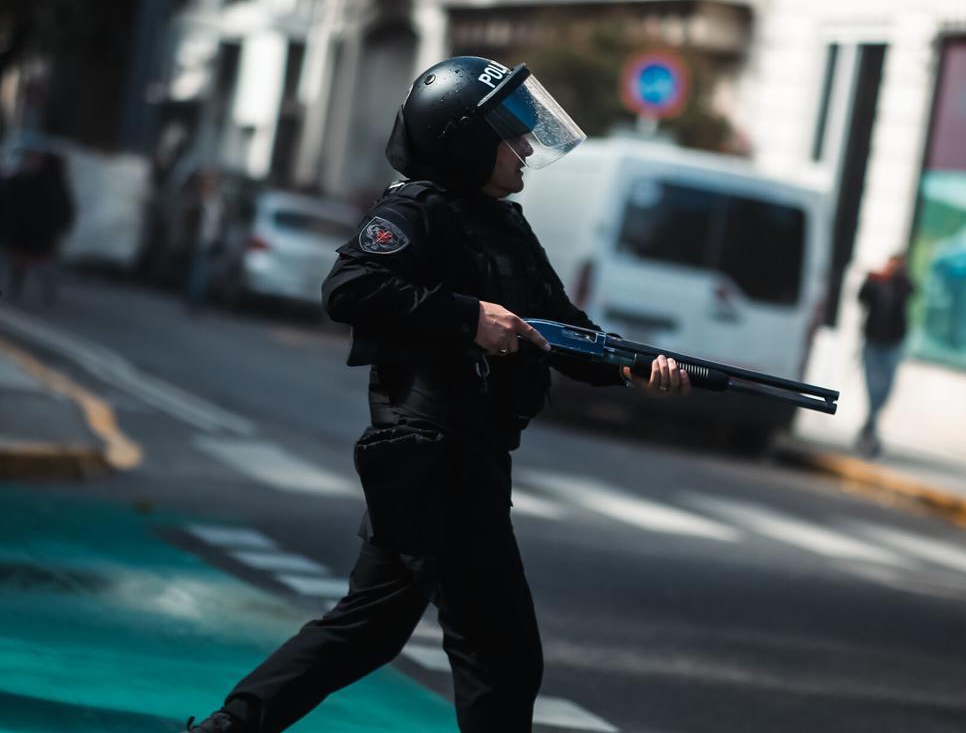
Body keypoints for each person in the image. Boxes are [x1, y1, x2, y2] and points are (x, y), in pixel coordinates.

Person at [183, 57, 691, 733]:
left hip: (468, 457)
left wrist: (630, 367)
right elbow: (349, 289)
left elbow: (563, 330)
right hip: (432, 454)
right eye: (512, 136)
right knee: (498, 655)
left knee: (378, 630)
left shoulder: (505, 226)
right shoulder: (415, 211)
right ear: (464, 142)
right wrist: (466, 318)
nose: (527, 149)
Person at [854, 254, 913, 457]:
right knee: (872, 385)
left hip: (892, 344)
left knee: (885, 389)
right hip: (873, 341)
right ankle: (870, 429)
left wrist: (896, 278)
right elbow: (861, 298)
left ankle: (869, 425)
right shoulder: (877, 283)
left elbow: (910, 290)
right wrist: (871, 281)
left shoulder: (902, 285)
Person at [0, 144, 75, 303]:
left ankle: (44, 291)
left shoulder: (49, 182)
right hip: (24, 231)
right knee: (21, 262)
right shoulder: (23, 179)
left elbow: (62, 208)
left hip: (38, 232)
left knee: (39, 263)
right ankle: (19, 288)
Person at [183, 169, 228, 311]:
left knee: (203, 273)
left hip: (211, 242)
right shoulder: (199, 200)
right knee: (198, 273)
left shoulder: (218, 202)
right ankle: (193, 301)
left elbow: (222, 222)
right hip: (200, 240)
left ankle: (196, 301)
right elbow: (190, 220)